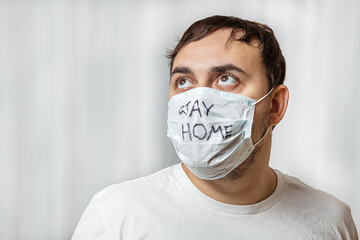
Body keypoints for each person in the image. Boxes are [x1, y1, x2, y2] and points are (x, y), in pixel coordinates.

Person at [72, 15, 358, 239]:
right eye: (183, 81)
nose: (199, 99)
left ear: (274, 106)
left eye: (226, 78)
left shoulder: (330, 220)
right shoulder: (117, 214)